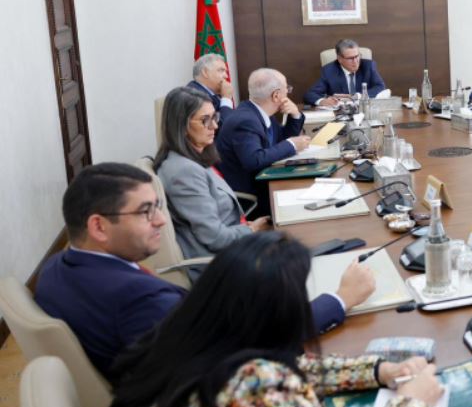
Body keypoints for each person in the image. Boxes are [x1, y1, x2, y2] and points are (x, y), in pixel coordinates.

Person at [33, 163, 375, 382]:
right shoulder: (140, 301)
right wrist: (339, 300)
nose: (161, 221)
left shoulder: (55, 270)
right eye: (146, 211)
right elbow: (247, 349)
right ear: (98, 226)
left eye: (158, 207)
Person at [109, 233, 443, 407]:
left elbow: (293, 369)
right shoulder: (252, 388)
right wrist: (412, 404)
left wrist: (378, 370)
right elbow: (268, 379)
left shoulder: (190, 341)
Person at [155, 87, 267, 270]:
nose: (214, 126)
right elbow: (215, 238)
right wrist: (252, 229)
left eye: (215, 117)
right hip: (222, 264)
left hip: (237, 244)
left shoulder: (195, 158)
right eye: (205, 120)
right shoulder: (184, 172)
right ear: (182, 125)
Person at [215, 68, 310, 199]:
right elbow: (254, 160)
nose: (288, 92)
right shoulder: (245, 121)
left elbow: (280, 140)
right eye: (287, 89)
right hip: (252, 193)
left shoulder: (258, 111)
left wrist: (295, 115)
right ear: (276, 95)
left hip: (265, 179)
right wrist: (291, 144)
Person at [304, 39, 387, 107]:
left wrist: (357, 96)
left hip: (365, 110)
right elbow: (310, 94)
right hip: (341, 114)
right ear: (340, 59)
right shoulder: (329, 71)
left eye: (357, 56)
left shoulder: (368, 66)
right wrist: (322, 101)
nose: (355, 61)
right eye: (350, 58)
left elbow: (380, 87)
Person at [187, 53, 234, 122]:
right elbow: (223, 127)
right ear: (205, 72)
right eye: (221, 70)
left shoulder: (214, 93)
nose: (226, 76)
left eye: (226, 72)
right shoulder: (194, 95)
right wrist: (226, 98)